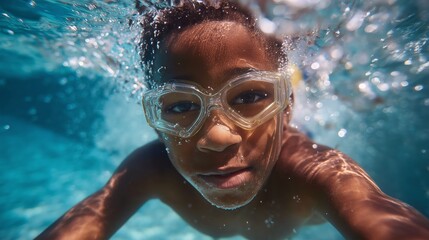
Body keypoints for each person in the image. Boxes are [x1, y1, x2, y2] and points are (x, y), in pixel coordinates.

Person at [37, 1, 429, 239]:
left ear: (286, 107)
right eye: (178, 106)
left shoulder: (315, 172)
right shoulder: (151, 170)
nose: (218, 137)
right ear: (155, 120)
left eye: (250, 96)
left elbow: (375, 214)